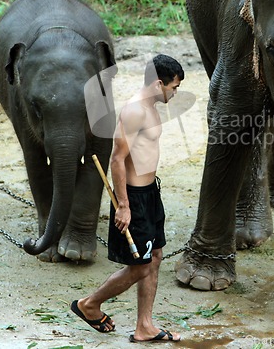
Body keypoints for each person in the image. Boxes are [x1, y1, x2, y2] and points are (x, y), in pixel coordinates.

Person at [71, 54, 184, 343]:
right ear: (159, 83)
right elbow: (117, 159)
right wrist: (123, 205)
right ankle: (89, 304)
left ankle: (144, 326)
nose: (175, 93)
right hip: (132, 197)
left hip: (150, 193)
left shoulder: (151, 106)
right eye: (174, 87)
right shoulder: (135, 110)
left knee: (155, 257)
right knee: (140, 266)